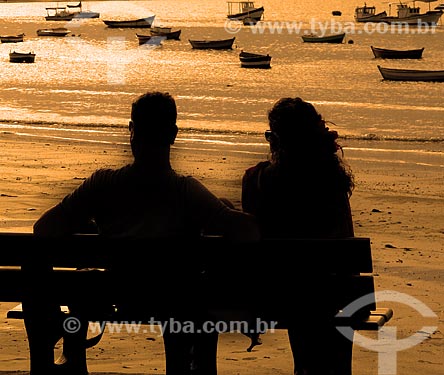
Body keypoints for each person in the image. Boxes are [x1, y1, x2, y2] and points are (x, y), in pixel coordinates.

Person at [25, 91, 260, 375]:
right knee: (194, 298)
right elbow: (246, 232)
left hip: (120, 295)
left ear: (131, 130)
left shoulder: (103, 184)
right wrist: (225, 210)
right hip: (174, 302)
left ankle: (60, 348)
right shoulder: (186, 191)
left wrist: (91, 230)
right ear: (172, 134)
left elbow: (44, 228)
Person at [241, 97, 355, 375]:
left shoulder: (256, 180)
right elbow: (346, 244)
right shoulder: (331, 181)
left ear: (278, 139)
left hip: (278, 294)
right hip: (330, 296)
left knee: (299, 297)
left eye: (270, 135)